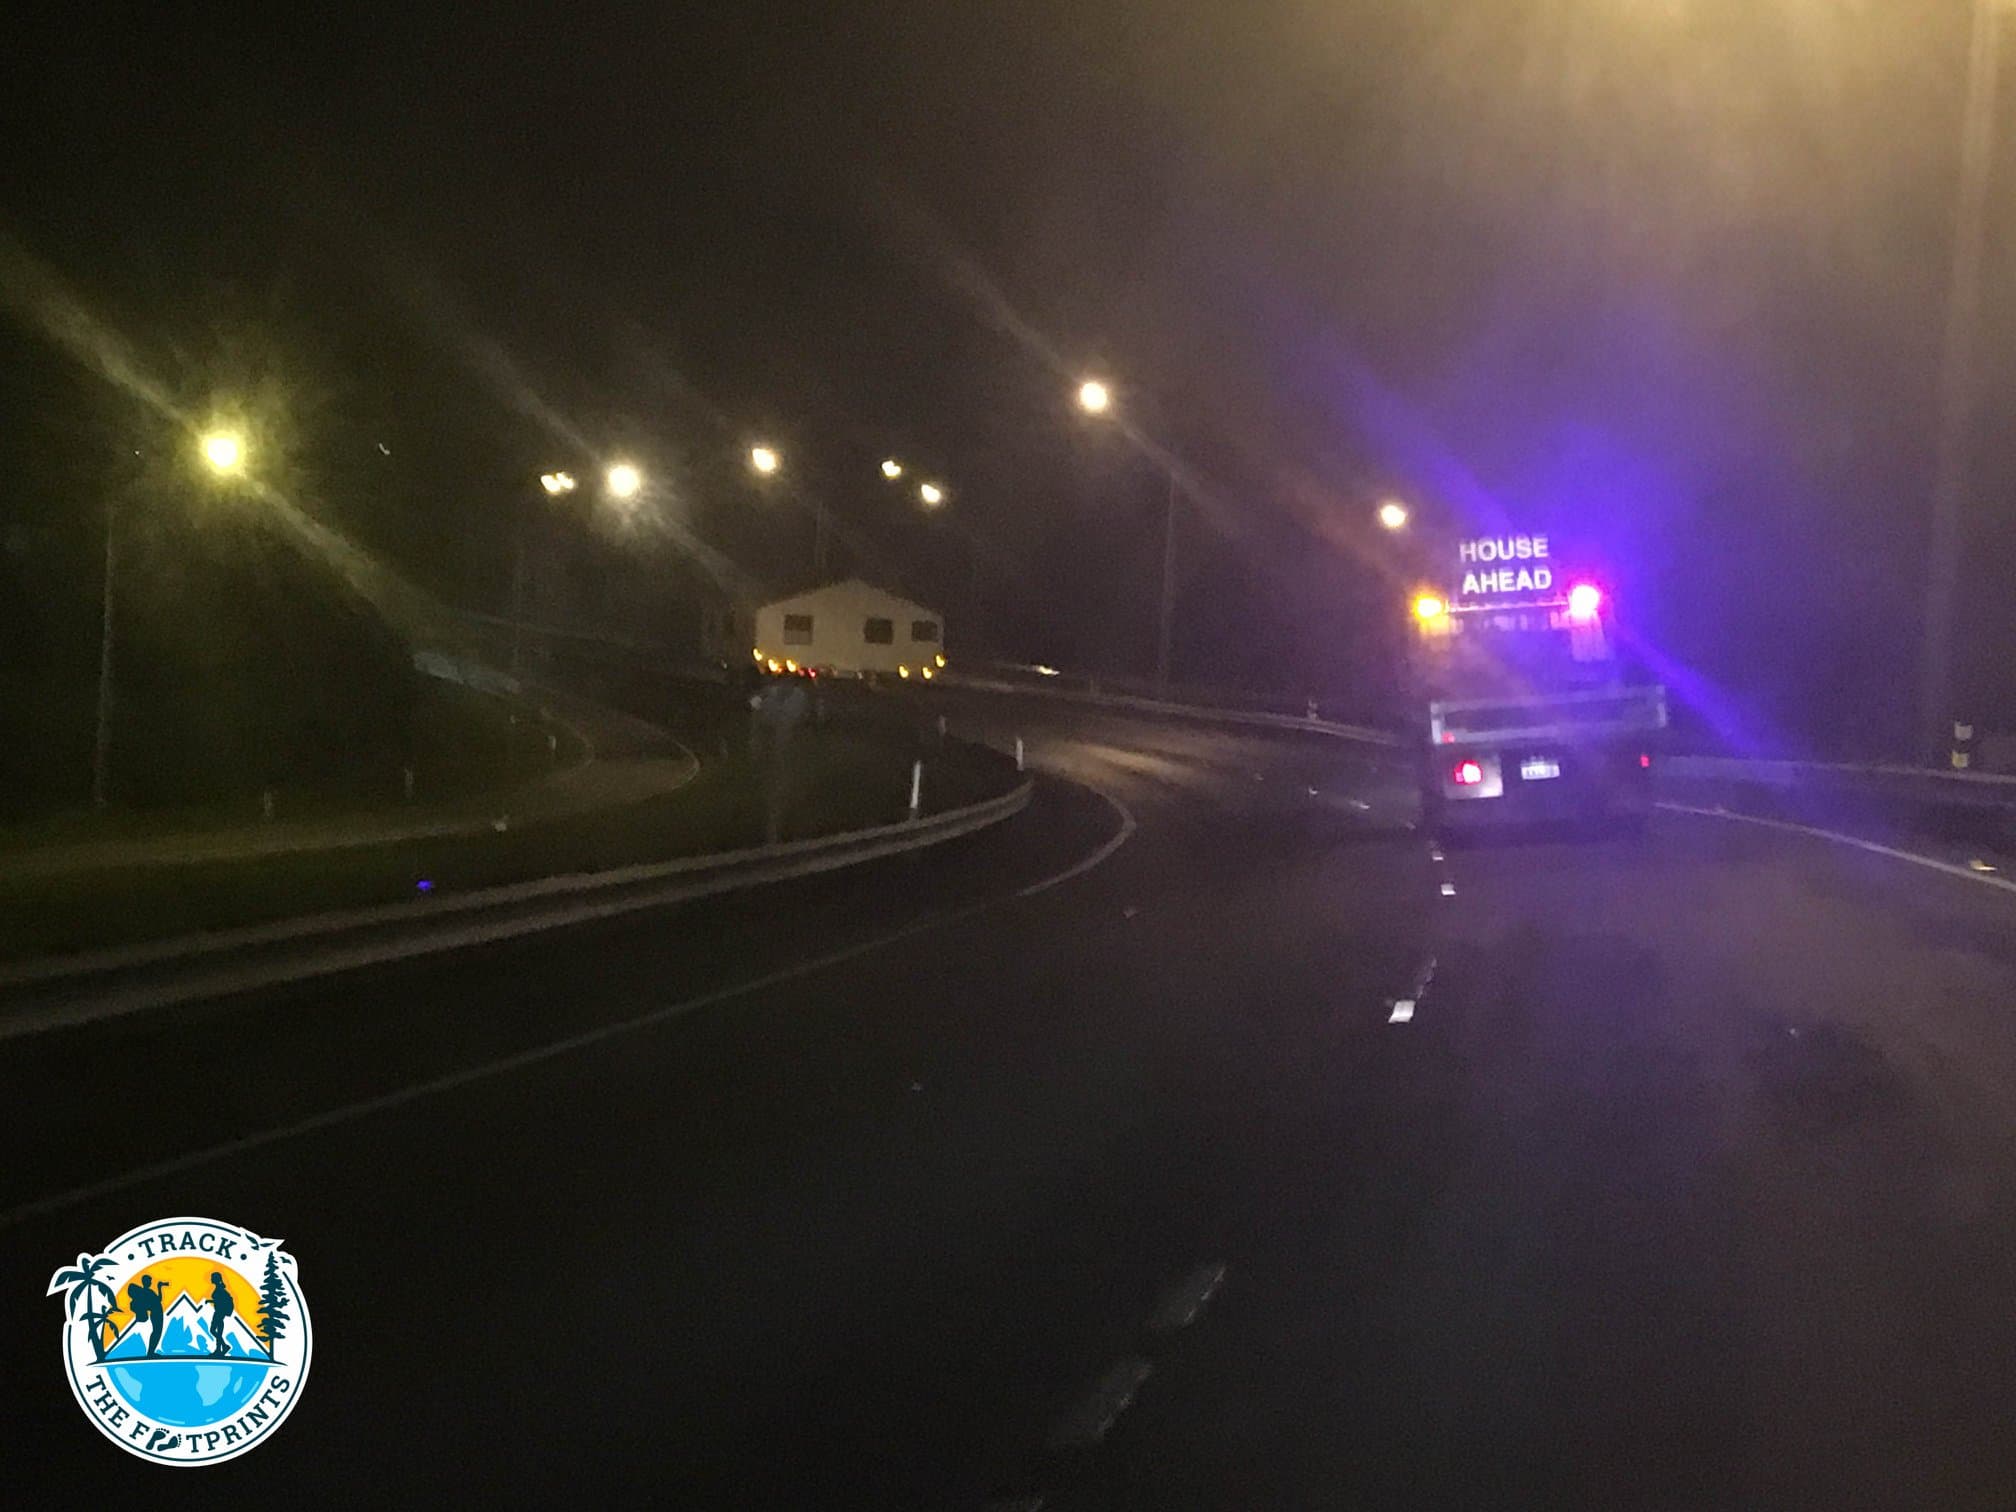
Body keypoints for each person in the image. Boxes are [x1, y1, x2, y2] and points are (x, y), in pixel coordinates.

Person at [128, 1275, 164, 1355]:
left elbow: (157, 1300)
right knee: (156, 1332)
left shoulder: (146, 1292)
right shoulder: (147, 1292)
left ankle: (151, 1352)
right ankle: (150, 1352)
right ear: (145, 1282)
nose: (150, 1283)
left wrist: (159, 1288)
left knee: (156, 1332)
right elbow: (158, 1300)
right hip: (156, 1313)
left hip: (156, 1313)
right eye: (149, 1281)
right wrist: (159, 1287)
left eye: (150, 1281)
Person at [207, 1272, 235, 1356]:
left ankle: (222, 1347)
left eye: (212, 1277)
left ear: (216, 1279)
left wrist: (212, 1301)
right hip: (219, 1312)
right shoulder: (219, 1288)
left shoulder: (219, 1289)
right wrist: (210, 1301)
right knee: (217, 1332)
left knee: (213, 1330)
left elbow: (220, 1301)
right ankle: (220, 1349)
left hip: (219, 1312)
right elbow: (219, 1300)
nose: (211, 1279)